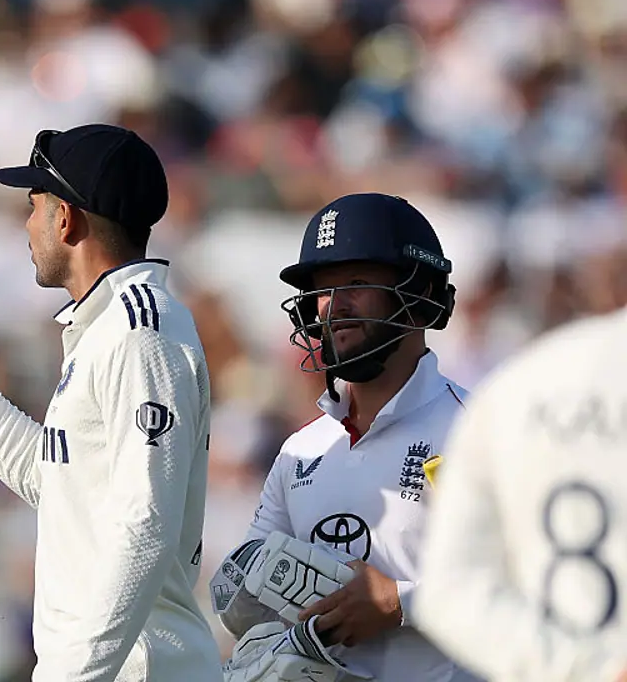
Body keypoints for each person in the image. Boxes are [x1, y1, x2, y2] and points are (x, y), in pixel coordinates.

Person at [0, 123, 223, 681]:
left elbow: (145, 523)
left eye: (34, 207)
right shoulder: (106, 328)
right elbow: (48, 477)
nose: (27, 226)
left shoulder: (139, 333)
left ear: (66, 218)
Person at [209, 193, 480, 681]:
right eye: (323, 290)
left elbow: (526, 575)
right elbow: (247, 594)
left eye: (356, 283)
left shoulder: (476, 431)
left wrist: (399, 603)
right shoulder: (300, 452)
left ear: (420, 295)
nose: (334, 307)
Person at [414, 305, 627, 682]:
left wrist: (584, 669)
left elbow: (450, 591)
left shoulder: (509, 387)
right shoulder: (507, 393)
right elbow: (451, 591)